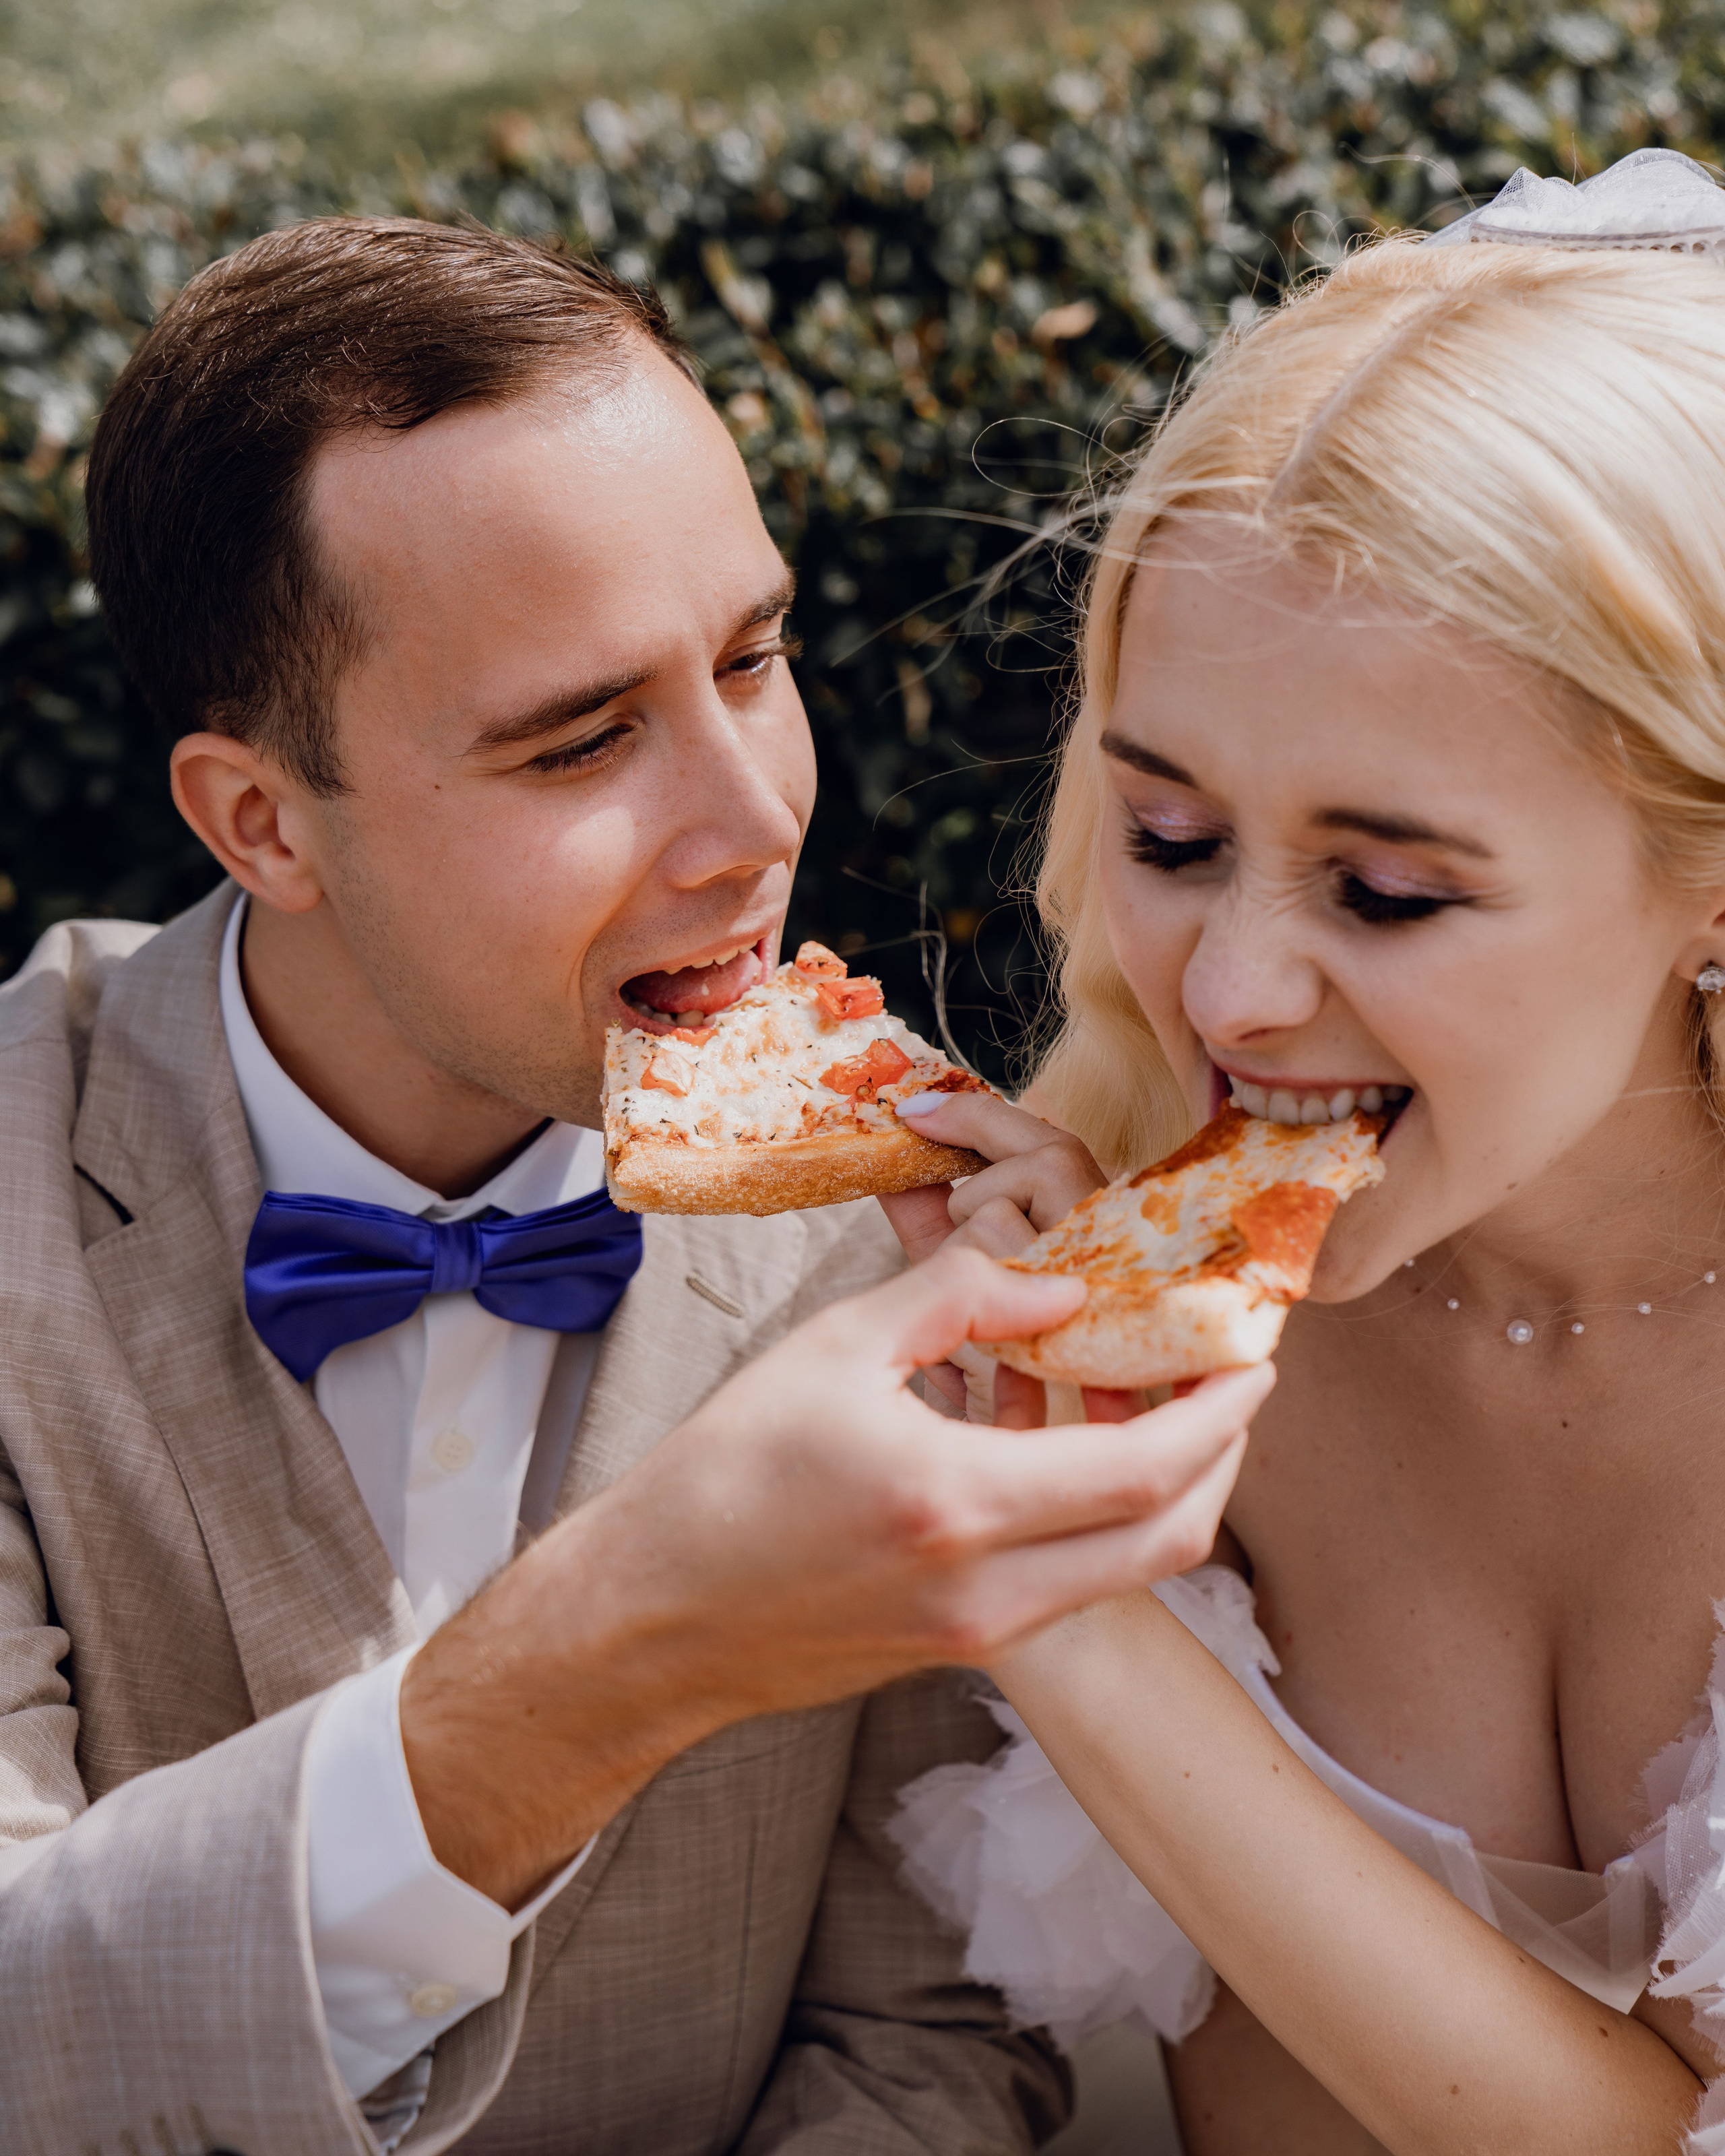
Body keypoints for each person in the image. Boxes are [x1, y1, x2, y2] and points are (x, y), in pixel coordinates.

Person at [0, 217, 1267, 2155]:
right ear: (260, 820)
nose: (758, 820)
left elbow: (928, 2043)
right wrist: (620, 1643)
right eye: (582, 739)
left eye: (754, 660)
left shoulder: (913, 1232)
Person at [877, 151, 1725, 2155]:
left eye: (1390, 889)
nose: (1235, 994)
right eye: (1170, 841)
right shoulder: (1140, 1320)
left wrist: (1066, 1603)